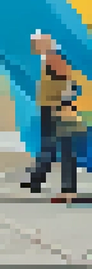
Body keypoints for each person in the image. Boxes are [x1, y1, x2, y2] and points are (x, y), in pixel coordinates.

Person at [25, 33, 85, 202]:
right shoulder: (49, 58)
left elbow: (69, 84)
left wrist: (62, 104)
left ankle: (67, 189)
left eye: (35, 43)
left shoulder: (54, 58)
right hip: (52, 108)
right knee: (53, 146)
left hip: (56, 110)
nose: (33, 47)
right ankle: (41, 179)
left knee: (64, 148)